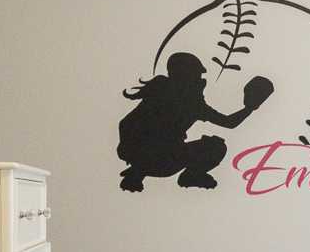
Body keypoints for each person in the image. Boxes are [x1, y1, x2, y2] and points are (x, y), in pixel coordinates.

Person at [115, 52, 273, 191]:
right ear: (186, 76)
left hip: (153, 159)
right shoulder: (183, 99)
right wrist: (249, 108)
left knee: (212, 144)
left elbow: (228, 122)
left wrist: (249, 107)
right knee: (215, 146)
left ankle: (139, 172)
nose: (200, 79)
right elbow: (229, 122)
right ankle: (190, 175)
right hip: (164, 161)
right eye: (197, 74)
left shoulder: (170, 94)